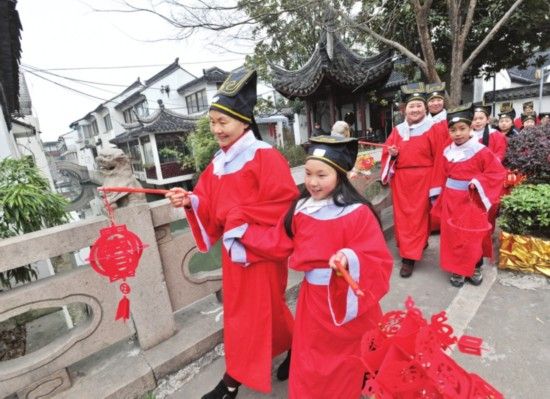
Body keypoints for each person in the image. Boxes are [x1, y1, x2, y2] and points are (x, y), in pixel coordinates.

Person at [227, 135, 393, 399]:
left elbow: (376, 257)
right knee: (313, 361)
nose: (313, 182)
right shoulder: (300, 209)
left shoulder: (357, 212)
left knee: (352, 358)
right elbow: (276, 242)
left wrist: (348, 259)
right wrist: (242, 233)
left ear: (339, 174)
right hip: (314, 302)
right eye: (307, 173)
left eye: (321, 175)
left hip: (347, 301)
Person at [166, 69, 297, 399]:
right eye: (212, 123)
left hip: (259, 251)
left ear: (243, 122)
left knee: (254, 313)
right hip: (233, 252)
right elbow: (207, 199)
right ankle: (294, 344)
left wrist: (241, 218)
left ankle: (231, 381)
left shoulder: (265, 157)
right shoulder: (218, 163)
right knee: (253, 312)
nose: (216, 129)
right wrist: (189, 199)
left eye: (223, 121)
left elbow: (285, 205)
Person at [431, 104, 506, 287]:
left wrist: (477, 183)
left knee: (472, 235)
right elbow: (441, 175)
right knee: (453, 236)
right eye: (453, 130)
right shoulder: (447, 151)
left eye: (462, 129)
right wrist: (438, 196)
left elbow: (496, 173)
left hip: (472, 200)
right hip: (451, 200)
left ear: (470, 127)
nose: (458, 134)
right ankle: (457, 269)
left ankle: (475, 267)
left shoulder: (481, 151)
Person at [381, 82, 449, 278]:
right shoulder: (397, 130)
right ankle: (410, 251)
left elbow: (439, 157)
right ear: (405, 110)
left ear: (425, 108)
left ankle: (410, 257)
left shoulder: (434, 129)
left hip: (424, 179)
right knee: (403, 218)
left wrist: (436, 184)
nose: (415, 109)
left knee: (419, 217)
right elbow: (387, 152)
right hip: (402, 181)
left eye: (419, 105)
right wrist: (392, 154)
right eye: (412, 106)